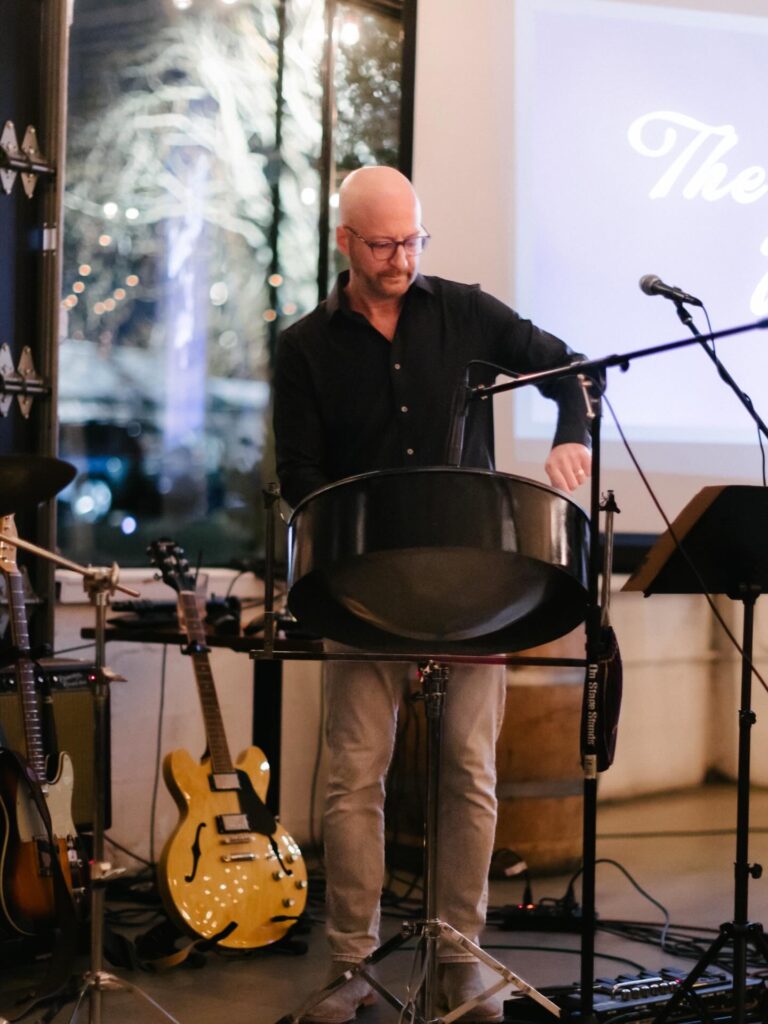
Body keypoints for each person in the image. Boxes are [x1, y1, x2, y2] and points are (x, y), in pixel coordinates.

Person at [273, 166, 592, 1024]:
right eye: (382, 244)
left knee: (470, 775)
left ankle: (462, 957)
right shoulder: (305, 346)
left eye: (413, 240)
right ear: (345, 241)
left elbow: (568, 367)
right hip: (365, 590)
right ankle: (350, 964)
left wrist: (571, 432)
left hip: (470, 584)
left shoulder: (465, 311)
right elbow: (298, 476)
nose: (401, 258)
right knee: (353, 780)